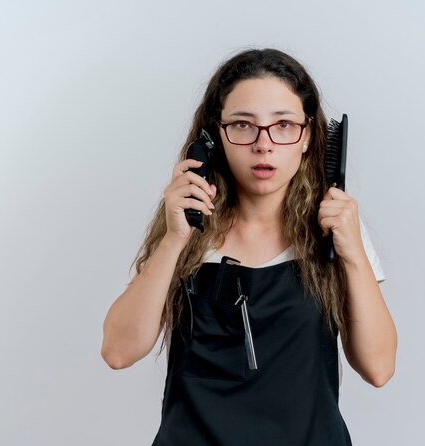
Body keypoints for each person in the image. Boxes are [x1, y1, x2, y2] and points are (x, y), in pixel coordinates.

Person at [101, 48, 397, 446]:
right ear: (217, 135)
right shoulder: (188, 224)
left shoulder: (336, 228)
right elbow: (118, 351)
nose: (264, 144)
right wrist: (174, 239)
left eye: (284, 125)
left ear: (307, 137)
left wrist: (354, 254)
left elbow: (378, 368)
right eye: (243, 125)